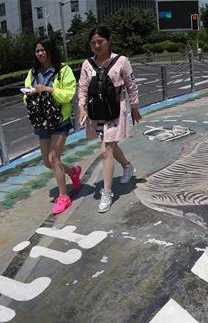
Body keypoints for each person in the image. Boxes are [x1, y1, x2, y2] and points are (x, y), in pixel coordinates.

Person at [77, 27, 141, 213]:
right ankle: (127, 166)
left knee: (106, 149)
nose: (97, 46)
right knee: (111, 145)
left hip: (115, 111)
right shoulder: (87, 64)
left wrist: (134, 108)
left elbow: (131, 86)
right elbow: (82, 88)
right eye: (93, 43)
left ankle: (106, 192)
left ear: (109, 41)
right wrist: (81, 108)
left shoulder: (121, 61)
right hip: (97, 112)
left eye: (100, 42)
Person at [24, 38, 81, 215]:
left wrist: (49, 90)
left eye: (43, 50)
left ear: (50, 51)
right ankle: (73, 172)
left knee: (54, 158)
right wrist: (30, 94)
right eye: (37, 51)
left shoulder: (63, 70)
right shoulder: (33, 72)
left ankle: (63, 197)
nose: (40, 53)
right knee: (48, 162)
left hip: (59, 120)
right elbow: (25, 95)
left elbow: (69, 94)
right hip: (42, 120)